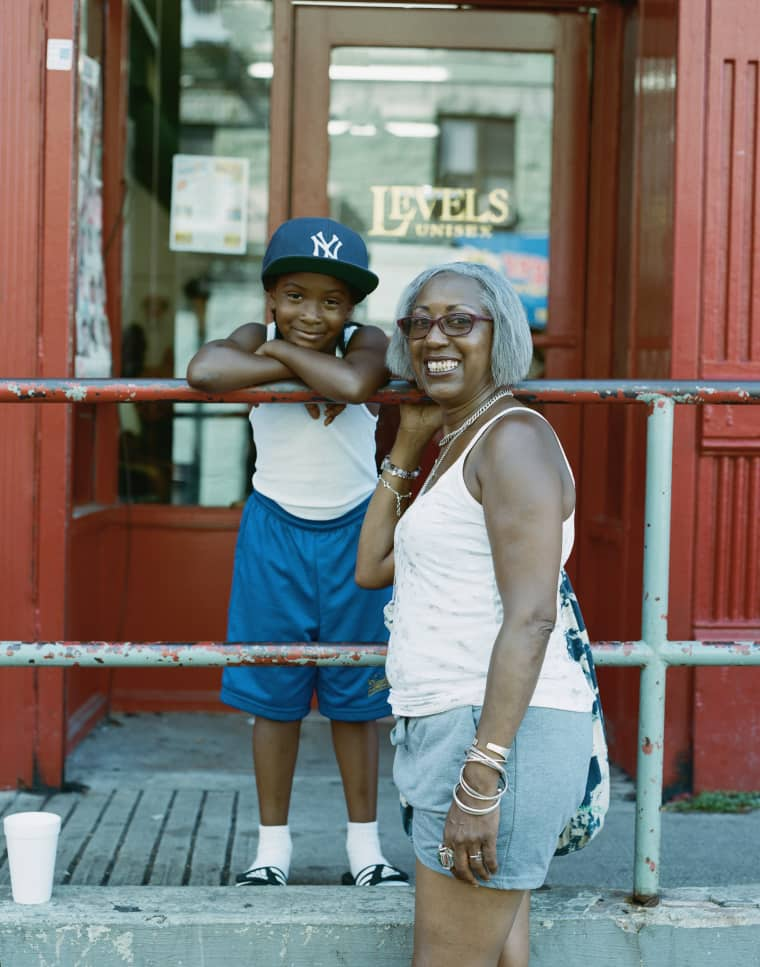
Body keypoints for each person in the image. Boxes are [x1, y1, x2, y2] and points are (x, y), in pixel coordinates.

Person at [355, 262, 599, 965]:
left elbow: (531, 617)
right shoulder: (461, 442)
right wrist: (405, 445)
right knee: (500, 957)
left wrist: (481, 774)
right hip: (462, 725)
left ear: (502, 335)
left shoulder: (512, 439)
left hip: (494, 736)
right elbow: (372, 566)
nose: (437, 335)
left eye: (460, 320)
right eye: (420, 321)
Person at [186, 217, 409, 888]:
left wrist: (284, 363)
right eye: (295, 295)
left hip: (356, 533)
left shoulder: (367, 341)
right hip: (274, 532)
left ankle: (365, 849)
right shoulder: (257, 337)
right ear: (269, 298)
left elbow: (351, 385)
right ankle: (271, 849)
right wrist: (282, 356)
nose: (312, 314)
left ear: (353, 307)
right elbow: (203, 370)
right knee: (273, 695)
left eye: (332, 300)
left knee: (357, 696)